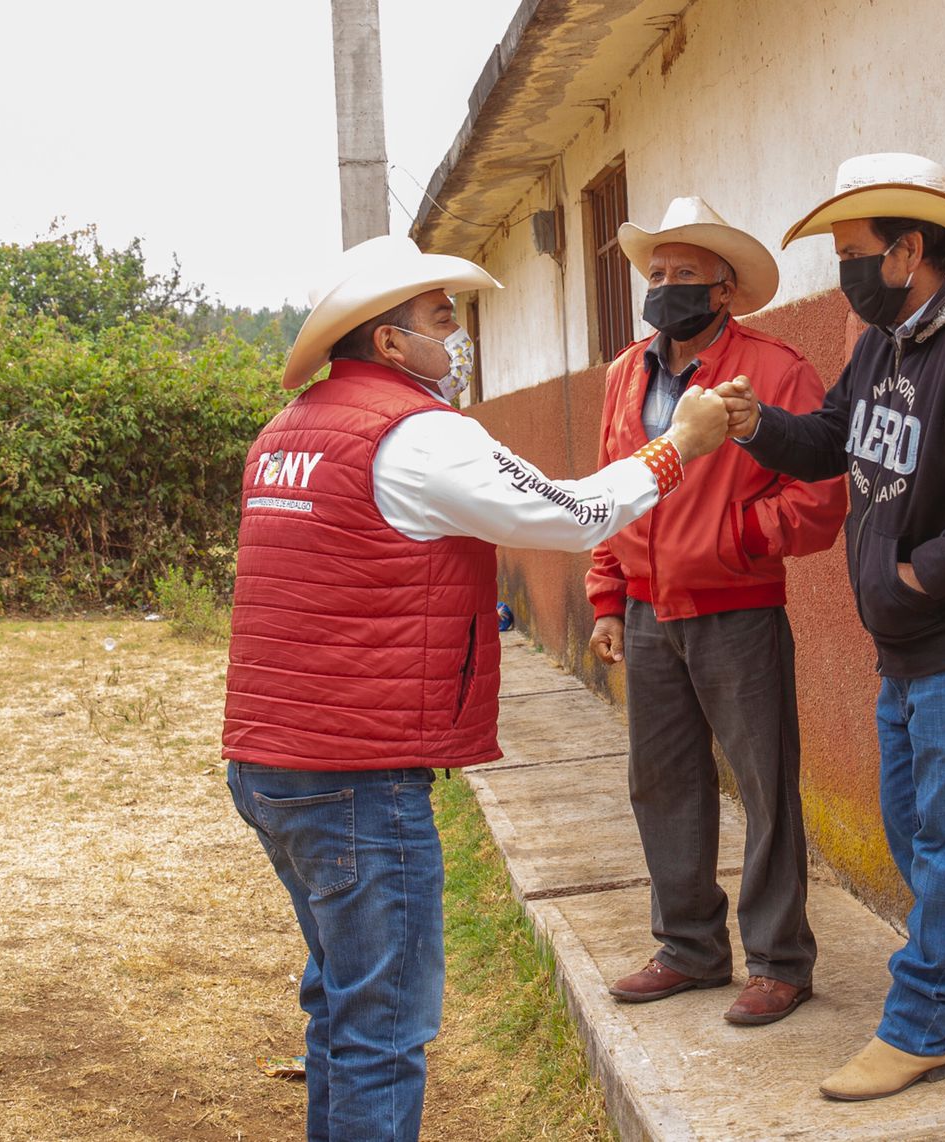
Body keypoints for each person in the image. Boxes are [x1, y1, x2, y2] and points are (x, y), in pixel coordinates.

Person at [221, 234, 729, 1141]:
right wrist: (676, 445)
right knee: (382, 1027)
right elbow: (572, 516)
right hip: (358, 776)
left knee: (342, 1004)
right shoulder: (417, 434)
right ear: (386, 343)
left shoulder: (287, 432)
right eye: (441, 318)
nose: (456, 337)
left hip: (271, 763)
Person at [718, 154, 945, 1100]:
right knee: (917, 833)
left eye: (855, 254)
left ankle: (921, 1025)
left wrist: (921, 572)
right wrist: (757, 426)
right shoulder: (886, 343)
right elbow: (832, 437)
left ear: (911, 251)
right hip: (912, 645)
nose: (846, 274)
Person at [585, 197, 846, 1025]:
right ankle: (690, 950)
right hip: (648, 615)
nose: (663, 288)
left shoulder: (775, 370)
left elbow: (821, 495)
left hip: (738, 612)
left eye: (683, 276)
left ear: (724, 291)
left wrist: (736, 540)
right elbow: (606, 491)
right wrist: (606, 596)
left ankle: (779, 960)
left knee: (766, 787)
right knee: (661, 784)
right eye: (656, 275)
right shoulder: (626, 373)